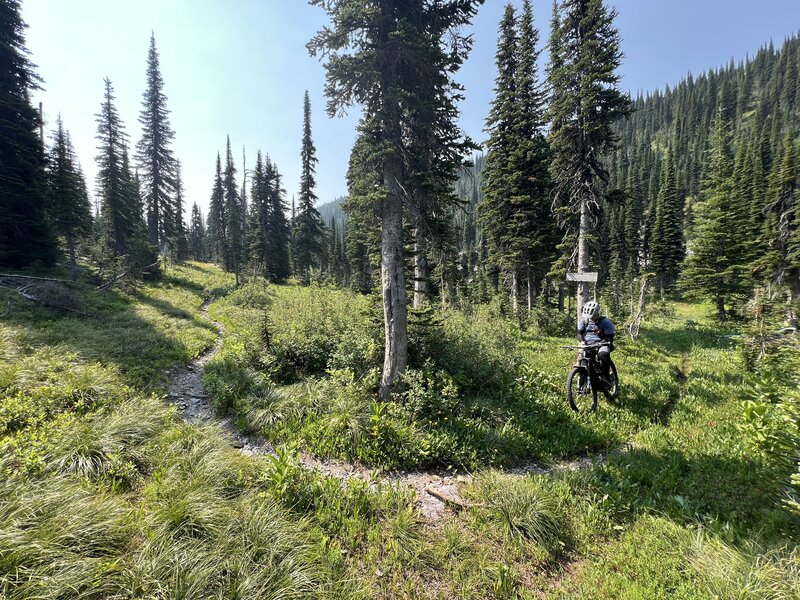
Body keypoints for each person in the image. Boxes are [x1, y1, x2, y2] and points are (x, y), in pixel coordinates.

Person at [577, 300, 615, 379]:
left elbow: (609, 337)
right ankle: (582, 380)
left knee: (603, 354)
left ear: (597, 313)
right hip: (588, 344)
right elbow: (579, 333)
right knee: (583, 359)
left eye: (592, 317)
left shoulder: (606, 322)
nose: (590, 319)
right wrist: (582, 341)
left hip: (602, 343)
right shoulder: (584, 321)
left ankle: (606, 377)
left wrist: (601, 343)